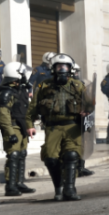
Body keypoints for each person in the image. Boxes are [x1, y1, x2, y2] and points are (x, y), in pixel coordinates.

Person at [28, 54, 94, 201]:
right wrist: (29, 125)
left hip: (73, 126)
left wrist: (87, 112)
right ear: (53, 68)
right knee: (51, 158)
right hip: (52, 128)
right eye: (59, 66)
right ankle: (59, 188)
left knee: (71, 155)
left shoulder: (78, 86)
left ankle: (70, 190)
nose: (62, 69)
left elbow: (90, 104)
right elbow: (33, 107)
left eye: (65, 66)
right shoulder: (44, 85)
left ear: (70, 69)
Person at [0, 62, 36, 197]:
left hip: (22, 126)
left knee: (22, 154)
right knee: (13, 155)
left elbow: (24, 110)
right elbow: (3, 115)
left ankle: (19, 183)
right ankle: (10, 186)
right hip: (12, 126)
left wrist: (29, 126)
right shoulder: (6, 92)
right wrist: (10, 132)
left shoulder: (21, 90)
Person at [69, 62, 95, 177]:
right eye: (74, 72)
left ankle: (80, 167)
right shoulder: (62, 86)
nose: (76, 74)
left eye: (77, 72)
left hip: (80, 119)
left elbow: (89, 101)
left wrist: (88, 111)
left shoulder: (81, 85)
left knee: (82, 144)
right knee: (70, 146)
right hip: (68, 120)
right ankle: (71, 169)